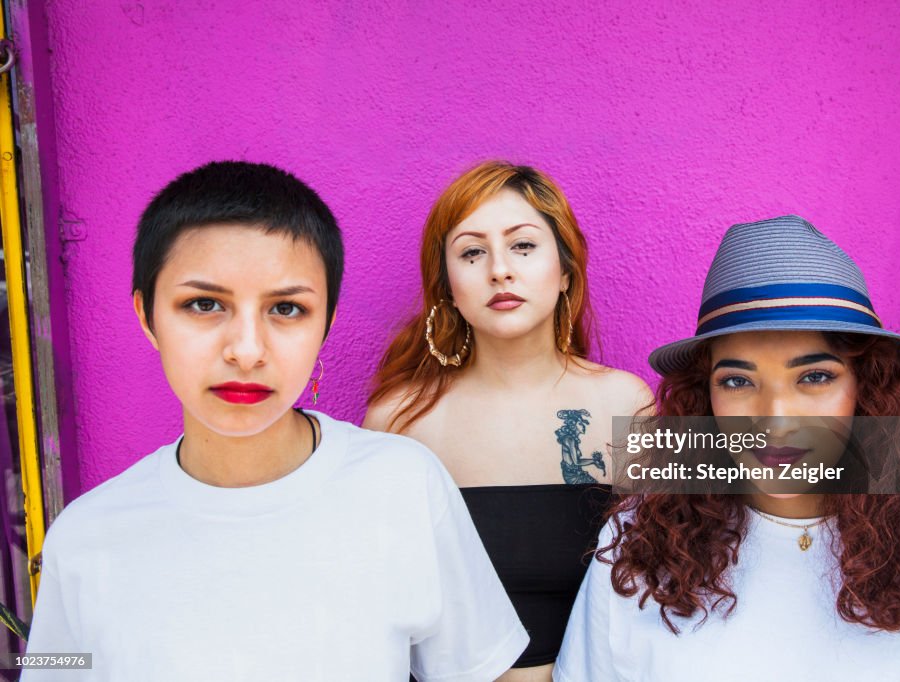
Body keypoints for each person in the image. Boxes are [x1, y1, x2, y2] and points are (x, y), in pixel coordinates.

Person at [24, 161, 528, 681]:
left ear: (326, 323)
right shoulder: (83, 540)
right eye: (203, 304)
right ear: (147, 316)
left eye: (286, 309)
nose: (246, 351)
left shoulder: (404, 485)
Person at [555, 215, 900, 681]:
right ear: (704, 399)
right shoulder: (637, 552)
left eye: (815, 377)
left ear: (869, 388)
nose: (775, 418)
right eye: (737, 381)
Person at [364, 161, 651, 681]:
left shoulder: (624, 405)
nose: (499, 269)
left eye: (523, 245)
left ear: (565, 271)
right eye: (472, 252)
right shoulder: (398, 420)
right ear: (447, 286)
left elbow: (671, 580)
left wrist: (842, 457)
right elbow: (374, 609)